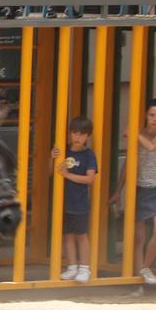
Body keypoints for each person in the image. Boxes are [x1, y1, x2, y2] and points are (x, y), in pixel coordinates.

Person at [112, 98, 156, 286]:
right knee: (139, 237)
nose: (154, 119)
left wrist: (135, 135)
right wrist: (117, 192)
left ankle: (146, 266)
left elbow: (152, 147)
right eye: (152, 115)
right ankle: (140, 278)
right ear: (146, 116)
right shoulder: (139, 135)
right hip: (140, 189)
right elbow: (128, 166)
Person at [57, 117, 99, 284]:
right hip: (64, 202)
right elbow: (50, 171)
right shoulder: (63, 150)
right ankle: (72, 266)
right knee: (68, 235)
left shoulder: (89, 154)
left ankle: (84, 268)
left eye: (82, 134)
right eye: (74, 133)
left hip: (80, 202)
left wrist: (67, 175)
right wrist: (51, 157)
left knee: (81, 235)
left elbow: (90, 179)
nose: (77, 137)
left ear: (87, 136)